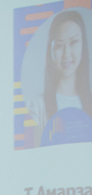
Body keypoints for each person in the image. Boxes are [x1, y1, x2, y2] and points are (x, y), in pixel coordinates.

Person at [27, 10, 92, 144]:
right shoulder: (38, 105)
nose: (66, 54)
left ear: (83, 45)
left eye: (73, 42)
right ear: (51, 50)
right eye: (59, 45)